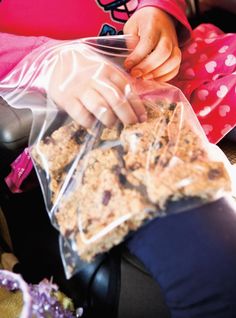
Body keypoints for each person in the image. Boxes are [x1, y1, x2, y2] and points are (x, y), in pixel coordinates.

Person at [0, 1, 236, 317]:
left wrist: (156, 10)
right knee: (213, 268)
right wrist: (46, 62)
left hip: (177, 66)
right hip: (79, 116)